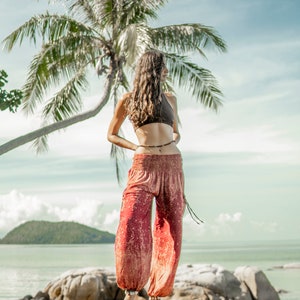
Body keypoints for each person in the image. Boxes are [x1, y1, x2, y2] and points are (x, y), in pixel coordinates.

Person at [107, 50, 186, 300]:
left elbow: (176, 132)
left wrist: (172, 142)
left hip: (172, 165)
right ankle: (131, 289)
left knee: (171, 227)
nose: (167, 71)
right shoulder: (128, 100)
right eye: (164, 66)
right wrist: (137, 147)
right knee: (130, 221)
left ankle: (159, 292)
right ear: (154, 68)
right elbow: (112, 133)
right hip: (143, 165)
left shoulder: (171, 99)